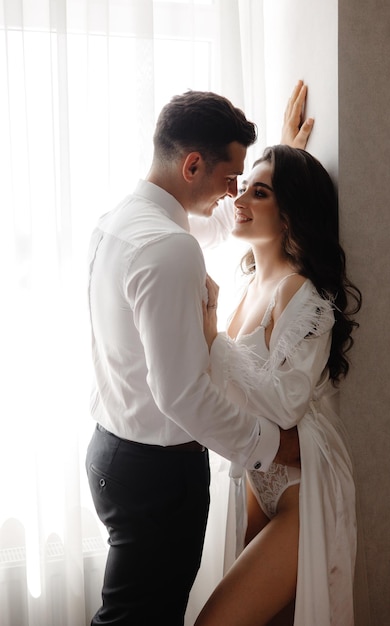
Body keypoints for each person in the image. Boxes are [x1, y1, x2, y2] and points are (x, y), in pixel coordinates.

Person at [85, 83, 313, 625]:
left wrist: (288, 162)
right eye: (230, 178)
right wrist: (273, 446)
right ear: (192, 165)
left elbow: (213, 225)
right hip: (156, 474)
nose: (234, 194)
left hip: (114, 453)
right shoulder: (169, 247)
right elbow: (182, 395)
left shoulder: (123, 222)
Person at [194, 145, 362, 626]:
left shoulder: (300, 291)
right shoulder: (249, 288)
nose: (240, 198)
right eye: (243, 185)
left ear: (290, 216)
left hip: (301, 489)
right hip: (258, 477)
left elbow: (285, 404)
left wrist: (213, 336)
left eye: (259, 192)